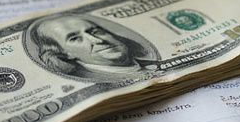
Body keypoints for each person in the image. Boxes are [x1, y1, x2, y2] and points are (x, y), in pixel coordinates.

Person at [25, 13, 164, 84]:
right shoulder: (89, 79)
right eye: (75, 38)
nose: (98, 40)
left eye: (96, 31)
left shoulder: (149, 62)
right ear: (64, 54)